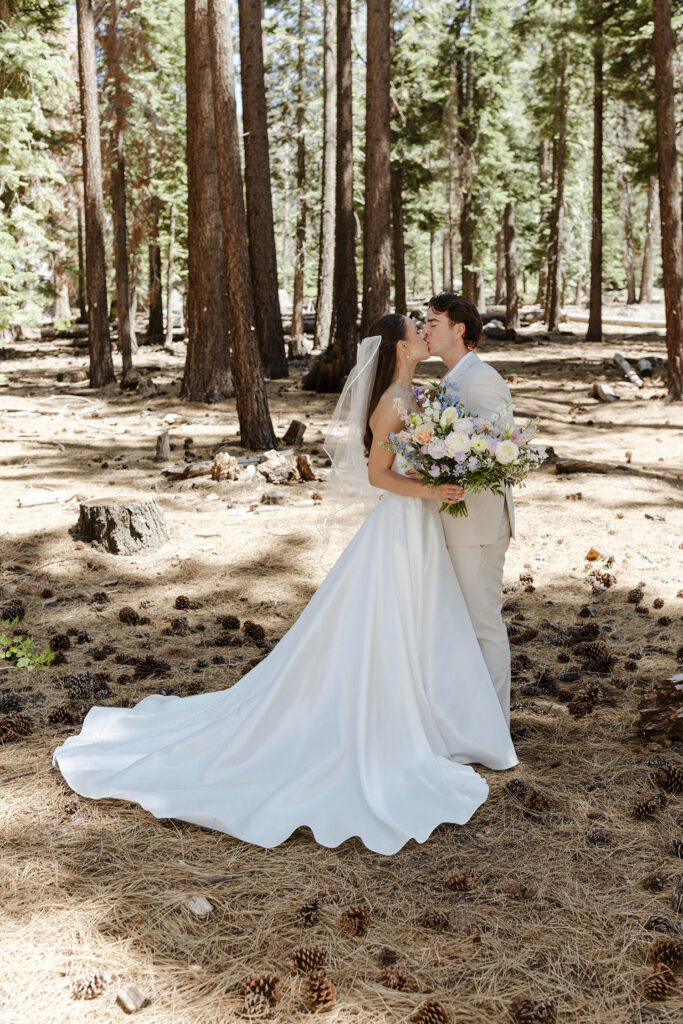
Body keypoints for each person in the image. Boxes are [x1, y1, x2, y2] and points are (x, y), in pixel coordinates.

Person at [53, 313, 517, 856]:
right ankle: (392, 723)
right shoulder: (394, 398)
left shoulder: (419, 392)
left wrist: (437, 480)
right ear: (399, 347)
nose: (423, 334)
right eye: (416, 330)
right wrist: (430, 491)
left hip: (421, 527)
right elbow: (377, 475)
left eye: (426, 326)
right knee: (390, 624)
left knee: (423, 625)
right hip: (403, 525)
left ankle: (438, 718)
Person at [424, 294, 515, 725]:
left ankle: (494, 726)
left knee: (484, 626)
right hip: (453, 520)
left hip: (477, 524)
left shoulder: (482, 379)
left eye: (432, 323)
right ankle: (468, 720)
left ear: (459, 329)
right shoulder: (450, 380)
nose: (425, 330)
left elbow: (506, 450)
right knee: (462, 626)